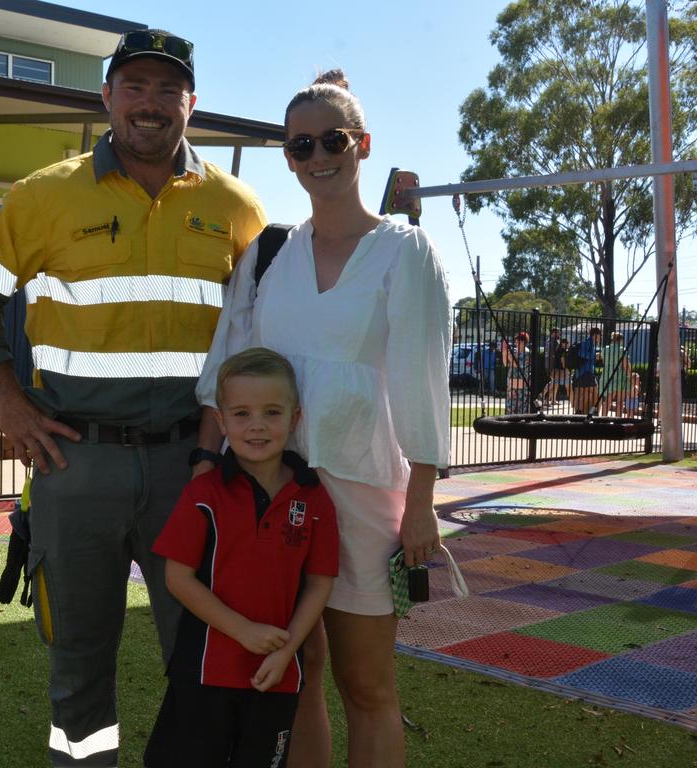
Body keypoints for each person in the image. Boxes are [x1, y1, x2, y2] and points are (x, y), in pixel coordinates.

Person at [0, 29, 266, 767]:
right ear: (107, 98)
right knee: (78, 661)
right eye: (134, 87)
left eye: (166, 89)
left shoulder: (235, 206)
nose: (149, 105)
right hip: (75, 464)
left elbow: (257, 337)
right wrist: (5, 397)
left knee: (202, 657)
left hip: (192, 469)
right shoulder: (46, 195)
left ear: (191, 102)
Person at [196, 69, 451, 768]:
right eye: (300, 146)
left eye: (331, 140)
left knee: (366, 685)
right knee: (296, 677)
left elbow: (422, 381)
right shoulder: (270, 254)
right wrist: (205, 469)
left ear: (362, 145)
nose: (317, 158)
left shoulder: (404, 251)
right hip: (273, 490)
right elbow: (227, 366)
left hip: (364, 496)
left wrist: (422, 504)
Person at [145, 347, 338, 767]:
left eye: (272, 412)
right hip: (203, 673)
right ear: (221, 421)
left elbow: (320, 582)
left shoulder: (314, 496)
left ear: (295, 418)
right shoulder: (203, 493)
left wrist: (287, 653)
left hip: (276, 675)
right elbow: (177, 578)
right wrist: (243, 630)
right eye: (241, 414)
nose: (256, 426)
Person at [600, 331, 632, 417]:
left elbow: (604, 362)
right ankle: (617, 421)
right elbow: (626, 365)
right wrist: (629, 376)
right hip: (620, 376)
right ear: (620, 340)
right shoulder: (622, 350)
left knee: (607, 400)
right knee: (620, 401)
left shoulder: (605, 349)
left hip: (607, 375)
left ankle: (602, 420)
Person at [572, 326, 603, 415]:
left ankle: (580, 412)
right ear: (595, 335)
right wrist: (595, 356)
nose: (600, 337)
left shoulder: (591, 343)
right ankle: (591, 412)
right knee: (595, 393)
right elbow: (581, 354)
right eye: (599, 335)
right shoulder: (588, 343)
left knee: (588, 393)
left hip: (586, 372)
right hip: (586, 372)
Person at [501, 332, 532, 415]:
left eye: (518, 341)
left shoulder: (527, 353)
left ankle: (520, 421)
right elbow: (505, 364)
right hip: (512, 380)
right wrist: (504, 352)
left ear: (523, 342)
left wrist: (509, 355)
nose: (516, 343)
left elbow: (518, 365)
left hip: (522, 381)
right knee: (510, 404)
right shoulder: (515, 352)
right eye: (516, 341)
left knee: (521, 404)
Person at [540, 328, 561, 405]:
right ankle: (543, 396)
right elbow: (555, 354)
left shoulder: (548, 341)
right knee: (553, 382)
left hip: (548, 364)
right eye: (558, 332)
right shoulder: (554, 342)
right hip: (552, 365)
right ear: (553, 333)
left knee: (555, 383)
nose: (559, 334)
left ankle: (552, 400)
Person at [552, 337, 573, 408]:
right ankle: (572, 402)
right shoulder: (563, 351)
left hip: (556, 370)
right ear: (563, 343)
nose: (567, 344)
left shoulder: (558, 350)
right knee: (569, 387)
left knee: (555, 386)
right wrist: (566, 369)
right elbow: (562, 360)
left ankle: (553, 400)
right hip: (562, 371)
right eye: (566, 343)